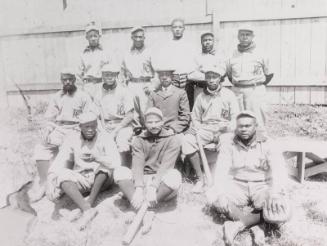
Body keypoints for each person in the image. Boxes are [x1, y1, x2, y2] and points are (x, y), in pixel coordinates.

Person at [206, 111, 290, 245]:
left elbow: (279, 169)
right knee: (212, 196)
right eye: (240, 126)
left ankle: (237, 225)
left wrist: (275, 194)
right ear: (236, 127)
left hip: (262, 185)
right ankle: (257, 225)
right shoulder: (229, 143)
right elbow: (221, 171)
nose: (243, 129)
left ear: (255, 126)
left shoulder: (268, 143)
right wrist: (221, 194)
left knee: (282, 206)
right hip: (237, 184)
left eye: (247, 126)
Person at [46, 112, 122, 230]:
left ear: (97, 125)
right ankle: (87, 209)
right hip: (82, 178)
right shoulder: (72, 139)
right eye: (87, 127)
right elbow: (59, 160)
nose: (91, 130)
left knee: (104, 168)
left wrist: (99, 158)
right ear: (80, 127)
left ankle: (89, 203)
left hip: (101, 179)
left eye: (93, 126)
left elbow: (117, 162)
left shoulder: (105, 137)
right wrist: (50, 180)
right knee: (62, 174)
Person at [114, 107, 182, 233]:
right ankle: (140, 205)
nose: (154, 125)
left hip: (161, 184)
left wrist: (153, 187)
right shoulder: (139, 139)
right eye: (150, 122)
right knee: (119, 171)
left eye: (157, 121)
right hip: (143, 180)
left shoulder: (172, 139)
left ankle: (146, 209)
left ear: (162, 122)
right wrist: (139, 188)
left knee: (175, 176)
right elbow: (137, 164)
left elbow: (166, 166)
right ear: (145, 123)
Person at [32, 69, 92, 200]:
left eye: (70, 79)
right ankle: (44, 183)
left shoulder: (83, 96)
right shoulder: (57, 96)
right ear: (61, 81)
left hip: (77, 129)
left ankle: (58, 184)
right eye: (65, 79)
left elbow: (89, 117)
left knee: (66, 148)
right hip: (59, 128)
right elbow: (49, 118)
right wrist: (48, 130)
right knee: (41, 147)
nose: (68, 82)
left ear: (75, 80)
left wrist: (81, 128)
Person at [182, 64, 239, 193]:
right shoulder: (201, 97)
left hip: (224, 129)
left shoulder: (229, 94)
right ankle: (200, 179)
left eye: (214, 77)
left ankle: (220, 179)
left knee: (226, 143)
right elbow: (195, 117)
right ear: (205, 79)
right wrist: (196, 127)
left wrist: (228, 127)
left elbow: (236, 117)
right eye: (209, 77)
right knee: (187, 140)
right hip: (206, 129)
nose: (212, 80)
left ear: (220, 78)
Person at [226, 25, 273, 128]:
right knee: (237, 119)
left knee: (258, 119)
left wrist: (256, 84)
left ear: (253, 36)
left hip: (255, 90)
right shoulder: (232, 54)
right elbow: (229, 75)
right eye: (242, 34)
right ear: (238, 37)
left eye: (248, 34)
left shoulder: (261, 53)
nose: (245, 37)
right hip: (237, 91)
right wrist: (239, 85)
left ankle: (260, 140)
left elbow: (269, 74)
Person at [93, 63, 134, 166]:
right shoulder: (98, 93)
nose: (110, 77)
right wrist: (102, 130)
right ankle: (105, 171)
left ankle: (123, 170)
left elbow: (130, 115)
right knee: (99, 143)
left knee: (122, 141)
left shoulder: (124, 91)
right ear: (102, 76)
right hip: (104, 125)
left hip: (122, 125)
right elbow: (95, 114)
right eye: (107, 75)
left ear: (116, 75)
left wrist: (115, 131)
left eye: (112, 75)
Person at [152, 18, 197, 109]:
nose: (177, 29)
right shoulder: (166, 46)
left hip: (187, 80)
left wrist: (188, 75)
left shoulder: (190, 46)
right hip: (172, 79)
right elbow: (161, 63)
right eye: (175, 27)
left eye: (180, 27)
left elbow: (195, 64)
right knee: (173, 105)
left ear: (184, 28)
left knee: (187, 105)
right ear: (171, 29)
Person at [121, 26, 155, 127]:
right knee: (133, 113)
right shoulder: (127, 53)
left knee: (145, 111)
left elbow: (157, 71)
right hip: (131, 85)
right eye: (136, 37)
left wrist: (152, 86)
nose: (138, 39)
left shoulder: (150, 52)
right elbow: (122, 71)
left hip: (145, 84)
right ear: (132, 38)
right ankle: (136, 135)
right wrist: (123, 84)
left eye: (141, 37)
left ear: (144, 38)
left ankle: (148, 133)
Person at [148, 68, 190, 134]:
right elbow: (149, 115)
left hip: (175, 131)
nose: (164, 77)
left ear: (172, 77)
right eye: (162, 75)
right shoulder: (153, 94)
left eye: (167, 75)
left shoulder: (181, 93)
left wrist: (173, 129)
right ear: (159, 77)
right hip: (156, 130)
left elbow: (185, 116)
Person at [188, 32, 224, 100]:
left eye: (210, 40)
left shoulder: (219, 56)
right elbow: (191, 75)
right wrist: (211, 76)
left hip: (216, 90)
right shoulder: (196, 57)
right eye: (205, 40)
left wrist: (203, 72)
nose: (207, 42)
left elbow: (222, 72)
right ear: (201, 42)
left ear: (213, 42)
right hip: (200, 88)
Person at [77, 22, 109, 97]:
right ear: (87, 38)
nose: (93, 39)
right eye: (90, 36)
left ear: (99, 36)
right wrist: (81, 90)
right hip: (88, 86)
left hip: (102, 85)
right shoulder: (83, 54)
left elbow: (112, 71)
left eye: (95, 36)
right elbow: (78, 75)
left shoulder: (106, 53)